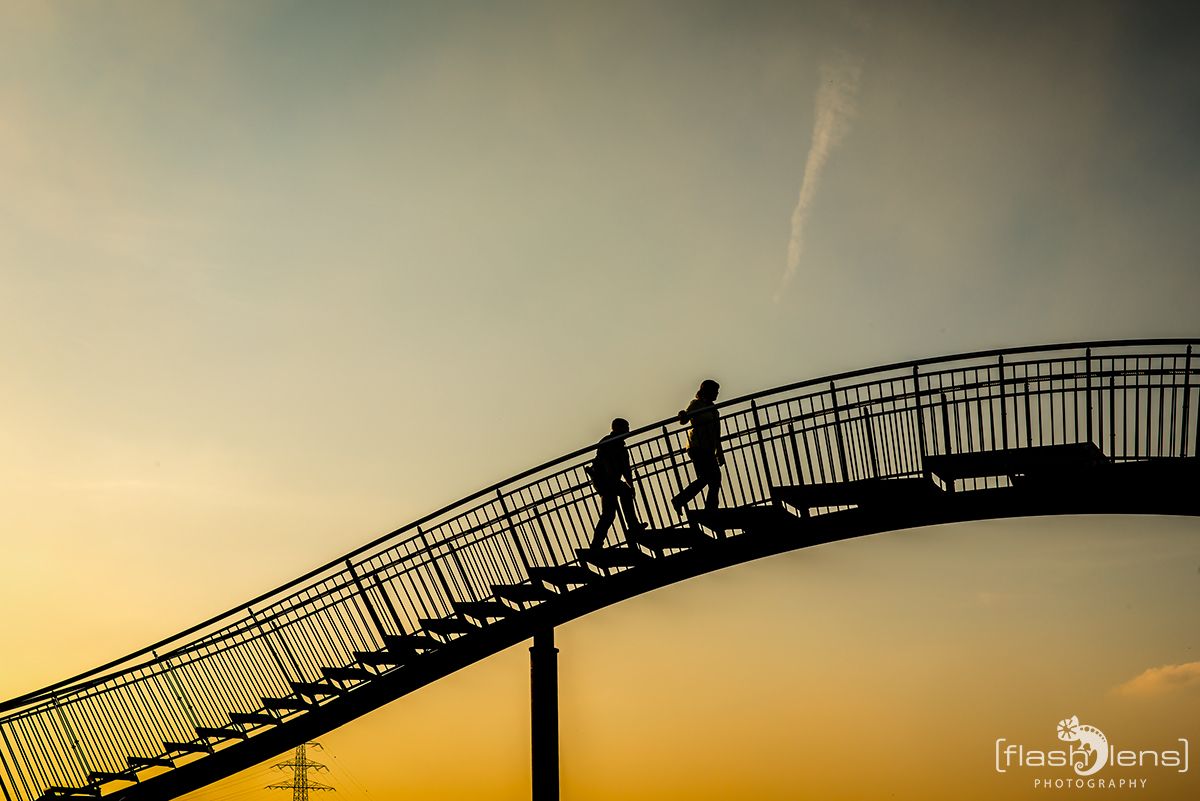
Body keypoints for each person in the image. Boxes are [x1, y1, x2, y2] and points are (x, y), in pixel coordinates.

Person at [588, 418, 647, 548]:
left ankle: (598, 543)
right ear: (617, 428)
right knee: (609, 513)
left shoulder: (618, 444)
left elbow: (626, 468)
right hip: (605, 482)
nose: (628, 430)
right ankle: (632, 527)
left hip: (608, 482)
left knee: (609, 513)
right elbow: (609, 465)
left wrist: (630, 484)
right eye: (626, 428)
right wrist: (625, 485)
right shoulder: (610, 443)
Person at [671, 379, 723, 513]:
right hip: (697, 447)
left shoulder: (713, 409)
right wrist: (682, 415)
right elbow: (685, 420)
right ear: (707, 391)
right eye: (715, 391)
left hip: (708, 448)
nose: (717, 394)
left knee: (713, 479)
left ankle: (706, 507)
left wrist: (719, 451)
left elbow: (717, 432)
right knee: (711, 477)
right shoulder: (696, 404)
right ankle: (706, 508)